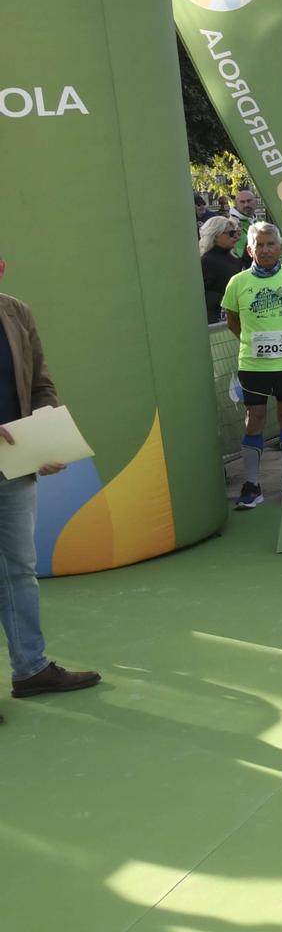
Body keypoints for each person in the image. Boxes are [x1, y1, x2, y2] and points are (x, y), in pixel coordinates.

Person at [0, 272, 100, 714]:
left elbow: (40, 381)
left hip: (14, 468)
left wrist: (45, 427)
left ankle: (31, 669)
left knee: (19, 569)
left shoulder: (16, 311)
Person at [221, 221, 282, 508]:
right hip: (254, 366)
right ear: (249, 250)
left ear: (280, 247)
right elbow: (233, 322)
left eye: (270, 244)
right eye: (259, 245)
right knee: (254, 421)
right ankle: (252, 484)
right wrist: (254, 341)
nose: (265, 249)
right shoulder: (237, 283)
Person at [199, 215, 245, 322]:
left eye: (235, 232)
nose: (235, 237)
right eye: (230, 233)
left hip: (235, 315)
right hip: (216, 319)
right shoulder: (206, 261)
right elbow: (200, 294)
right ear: (215, 235)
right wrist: (225, 299)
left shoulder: (234, 258)